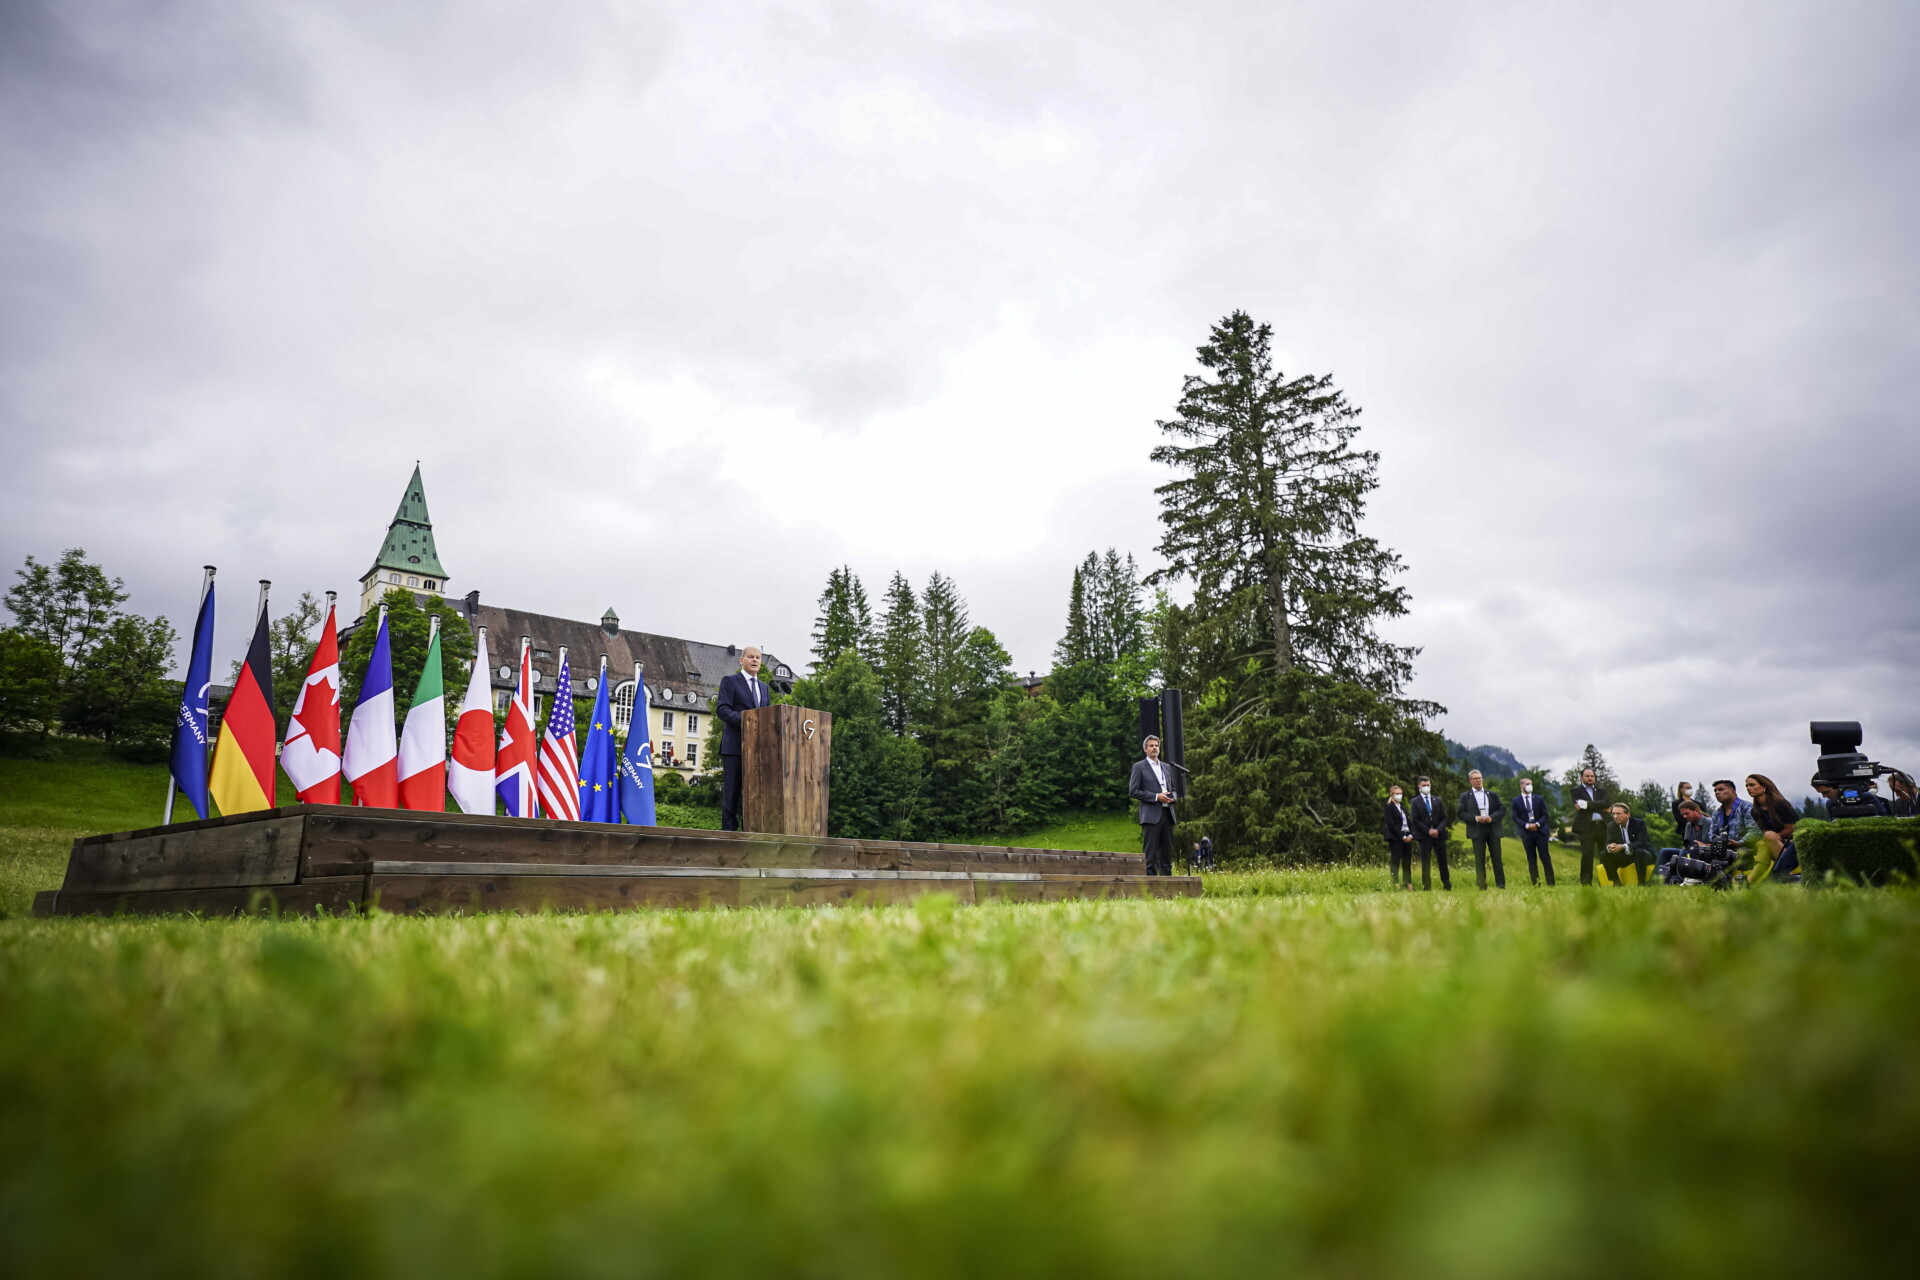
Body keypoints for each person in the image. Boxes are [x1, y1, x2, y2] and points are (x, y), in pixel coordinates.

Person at [716, 646, 769, 832]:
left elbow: (767, 716)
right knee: (732, 793)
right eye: (751, 657)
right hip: (734, 748)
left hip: (757, 750)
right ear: (741, 660)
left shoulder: (764, 688)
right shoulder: (730, 681)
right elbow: (722, 709)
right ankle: (728, 835)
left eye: (758, 658)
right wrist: (747, 721)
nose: (755, 660)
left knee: (753, 794)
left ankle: (750, 832)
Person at [1129, 735, 1178, 877]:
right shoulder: (1139, 767)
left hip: (1168, 814)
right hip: (1151, 815)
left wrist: (1172, 797)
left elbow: (1173, 789)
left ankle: (1168, 886)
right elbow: (1133, 791)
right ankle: (1151, 886)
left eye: (1156, 745)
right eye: (1151, 746)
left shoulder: (1166, 767)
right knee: (1151, 854)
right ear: (1145, 749)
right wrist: (1156, 797)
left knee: (1167, 853)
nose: (1154, 748)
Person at [1745, 774, 1798, 883]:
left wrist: (1774, 836)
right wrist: (1771, 837)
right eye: (1746, 786)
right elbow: (1765, 832)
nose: (1748, 788)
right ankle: (1749, 882)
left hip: (1793, 844)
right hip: (1775, 843)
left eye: (1752, 785)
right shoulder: (1755, 811)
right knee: (1763, 843)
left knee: (1768, 837)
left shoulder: (1780, 803)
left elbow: (1792, 829)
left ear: (1764, 786)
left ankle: (1787, 873)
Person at [1458, 770, 1506, 889]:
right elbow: (1460, 813)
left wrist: (1492, 817)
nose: (1478, 780)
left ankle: (1500, 884)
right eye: (1475, 779)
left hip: (1492, 828)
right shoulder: (1465, 796)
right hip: (1477, 830)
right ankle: (1482, 885)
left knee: (1497, 857)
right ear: (1470, 781)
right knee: (1479, 859)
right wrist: (1475, 818)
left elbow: (1502, 809)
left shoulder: (1491, 794)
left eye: (1480, 778)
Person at [1509, 776, 1554, 886]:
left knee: (1545, 858)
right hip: (1527, 833)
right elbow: (1515, 817)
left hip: (1540, 832)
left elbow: (1545, 814)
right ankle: (1536, 883)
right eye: (1527, 784)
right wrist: (1526, 825)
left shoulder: (1539, 799)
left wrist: (1537, 824)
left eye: (1531, 784)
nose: (1530, 786)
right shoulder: (1516, 801)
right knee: (1531, 859)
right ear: (1521, 785)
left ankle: (1551, 883)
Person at [1569, 766, 1608, 885]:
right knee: (1587, 855)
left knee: (1605, 853)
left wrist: (1588, 804)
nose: (1590, 778)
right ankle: (1586, 882)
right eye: (1587, 776)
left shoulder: (1601, 791)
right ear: (1582, 778)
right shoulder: (1576, 790)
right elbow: (1580, 805)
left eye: (1592, 776)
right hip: (1586, 827)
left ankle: (1606, 880)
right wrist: (1598, 805)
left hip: (1602, 826)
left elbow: (1606, 803)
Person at [1410, 776, 1449, 891]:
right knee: (1425, 862)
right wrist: (1428, 831)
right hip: (1424, 836)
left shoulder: (1437, 800)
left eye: (1428, 785)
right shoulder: (1415, 802)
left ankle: (1447, 884)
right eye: (1424, 785)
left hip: (1439, 835)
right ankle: (1426, 886)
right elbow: (1415, 820)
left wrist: (1438, 830)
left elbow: (1444, 817)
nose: (1426, 787)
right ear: (1419, 787)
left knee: (1443, 861)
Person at [1657, 798, 1711, 877]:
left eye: (1687, 813)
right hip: (1691, 851)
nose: (1685, 816)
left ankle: (1677, 877)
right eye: (1682, 815)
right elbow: (1686, 843)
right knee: (1664, 851)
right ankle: (1655, 879)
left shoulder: (1709, 822)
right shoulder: (1689, 824)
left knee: (1682, 853)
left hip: (1705, 853)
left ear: (1696, 811)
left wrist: (1703, 845)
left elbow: (1719, 846)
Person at [1604, 801, 1655, 885]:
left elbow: (1642, 842)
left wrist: (1623, 846)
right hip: (1626, 856)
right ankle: (1616, 882)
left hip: (1643, 854)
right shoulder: (1611, 826)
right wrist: (1610, 847)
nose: (1615, 816)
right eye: (1613, 814)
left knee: (1639, 851)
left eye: (1618, 813)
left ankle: (1641, 882)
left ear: (1627, 814)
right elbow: (1608, 842)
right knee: (1604, 854)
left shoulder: (1639, 823)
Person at [1383, 784, 1415, 889]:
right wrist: (1402, 836)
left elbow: (1408, 822)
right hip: (1396, 838)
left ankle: (1408, 882)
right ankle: (1395, 883)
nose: (1399, 796)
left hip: (1407, 836)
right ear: (1392, 795)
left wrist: (1410, 834)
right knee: (1395, 860)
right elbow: (1391, 824)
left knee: (1407, 861)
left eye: (1400, 794)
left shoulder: (1403, 808)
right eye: (1397, 794)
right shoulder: (1389, 808)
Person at [1708, 779, 1754, 845]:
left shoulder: (1746, 806)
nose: (1717, 793)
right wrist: (1717, 841)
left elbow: (1754, 831)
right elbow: (1712, 833)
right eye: (1715, 791)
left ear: (1733, 791)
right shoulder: (1716, 812)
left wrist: (1739, 843)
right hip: (1722, 849)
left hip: (1745, 849)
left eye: (1721, 789)